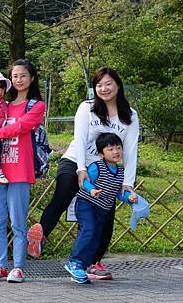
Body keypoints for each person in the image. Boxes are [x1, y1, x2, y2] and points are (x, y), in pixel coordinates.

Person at [28, 67, 139, 280]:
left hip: (107, 169)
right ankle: (40, 237)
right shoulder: (86, 108)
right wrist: (80, 169)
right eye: (99, 85)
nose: (104, 89)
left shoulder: (130, 116)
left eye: (108, 84)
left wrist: (128, 183)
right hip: (74, 160)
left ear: (118, 86)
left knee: (104, 215)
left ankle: (93, 263)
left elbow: (132, 150)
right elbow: (79, 140)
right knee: (64, 191)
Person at [0, 59, 45, 283]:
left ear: (31, 78)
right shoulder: (0, 104)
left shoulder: (36, 106)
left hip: (20, 170)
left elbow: (20, 127)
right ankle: (0, 266)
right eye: (15, 76)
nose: (19, 80)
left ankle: (18, 267)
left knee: (18, 222)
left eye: (23, 75)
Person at [65, 132, 138, 284]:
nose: (116, 152)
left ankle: (85, 266)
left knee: (96, 237)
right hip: (86, 204)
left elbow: (119, 192)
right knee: (88, 230)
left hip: (103, 209)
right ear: (101, 153)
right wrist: (91, 189)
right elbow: (84, 181)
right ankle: (74, 261)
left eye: (118, 148)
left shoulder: (121, 173)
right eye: (110, 149)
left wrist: (129, 198)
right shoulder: (97, 166)